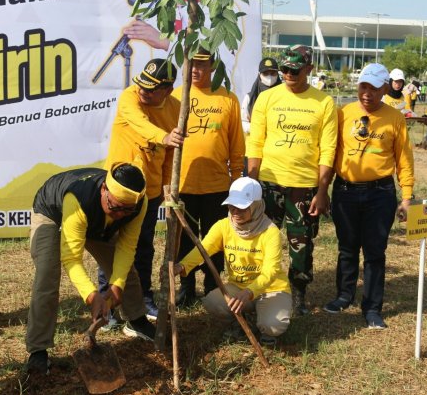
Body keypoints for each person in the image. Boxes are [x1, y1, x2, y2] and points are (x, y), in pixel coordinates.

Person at [25, 164, 154, 375]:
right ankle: (38, 350)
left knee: (124, 270)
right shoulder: (78, 200)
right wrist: (92, 296)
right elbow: (71, 258)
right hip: (52, 212)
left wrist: (116, 286)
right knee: (46, 277)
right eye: (115, 207)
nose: (120, 214)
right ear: (104, 189)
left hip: (95, 221)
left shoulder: (139, 204)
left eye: (126, 209)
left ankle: (137, 320)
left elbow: (127, 247)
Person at [246, 44, 338, 316]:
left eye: (294, 70)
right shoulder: (267, 99)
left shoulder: (324, 102)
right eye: (284, 69)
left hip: (305, 187)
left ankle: (298, 292)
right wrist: (253, 183)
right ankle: (263, 288)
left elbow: (328, 149)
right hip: (269, 183)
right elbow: (256, 142)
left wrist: (323, 190)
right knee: (262, 239)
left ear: (309, 70)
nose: (287, 74)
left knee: (302, 243)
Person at [323, 63, 414, 329]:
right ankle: (344, 295)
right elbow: (331, 153)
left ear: (385, 89)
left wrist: (406, 197)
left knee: (375, 252)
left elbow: (404, 160)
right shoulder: (343, 114)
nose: (367, 93)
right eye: (363, 86)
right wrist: (324, 189)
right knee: (347, 247)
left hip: (380, 194)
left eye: (374, 88)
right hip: (345, 191)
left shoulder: (394, 118)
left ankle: (372, 308)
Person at [103, 59, 183, 325]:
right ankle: (108, 305)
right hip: (119, 191)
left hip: (150, 193)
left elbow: (172, 154)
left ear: (168, 90)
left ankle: (143, 299)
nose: (143, 91)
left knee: (143, 247)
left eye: (151, 89)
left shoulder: (176, 109)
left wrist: (168, 188)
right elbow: (139, 124)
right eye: (141, 85)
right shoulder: (129, 98)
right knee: (111, 246)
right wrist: (163, 137)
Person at [173, 177, 291, 346]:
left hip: (271, 289)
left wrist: (249, 292)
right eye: (232, 205)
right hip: (239, 287)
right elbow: (203, 249)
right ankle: (245, 318)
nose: (235, 211)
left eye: (242, 207)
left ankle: (264, 322)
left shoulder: (270, 232)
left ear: (256, 206)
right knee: (212, 302)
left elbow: (270, 271)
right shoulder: (223, 226)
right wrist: (182, 265)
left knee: (272, 326)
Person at [173, 49, 245, 305]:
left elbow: (237, 146)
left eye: (202, 64)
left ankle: (213, 285)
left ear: (212, 66)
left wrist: (236, 183)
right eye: (191, 63)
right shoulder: (175, 97)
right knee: (183, 238)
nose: (196, 69)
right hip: (182, 185)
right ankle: (186, 286)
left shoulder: (227, 99)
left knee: (215, 240)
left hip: (217, 186)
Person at [241, 57, 280, 134]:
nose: (269, 77)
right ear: (259, 75)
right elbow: (244, 121)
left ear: (277, 74)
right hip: (256, 140)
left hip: (278, 140)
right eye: (265, 73)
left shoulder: (284, 95)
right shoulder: (250, 97)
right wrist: (259, 129)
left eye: (273, 73)